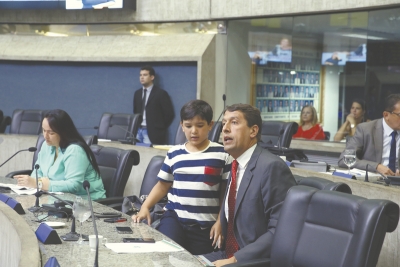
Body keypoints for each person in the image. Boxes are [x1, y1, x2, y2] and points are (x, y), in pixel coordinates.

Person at [131, 100, 232, 255]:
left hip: (206, 225)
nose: (194, 131)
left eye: (200, 125)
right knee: (166, 254)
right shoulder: (175, 152)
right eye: (188, 125)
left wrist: (220, 222)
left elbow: (225, 194)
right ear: (182, 125)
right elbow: (163, 185)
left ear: (210, 125)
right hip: (175, 218)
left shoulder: (222, 154)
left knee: (198, 261)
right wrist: (145, 207)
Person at [203, 103, 296, 266]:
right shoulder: (235, 164)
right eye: (224, 123)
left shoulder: (271, 167)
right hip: (227, 253)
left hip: (251, 260)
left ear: (253, 131)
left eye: (234, 122)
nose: (225, 128)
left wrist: (234, 260)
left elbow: (280, 231)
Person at [14, 109, 106, 200]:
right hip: (57, 199)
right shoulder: (46, 145)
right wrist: (33, 182)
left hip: (87, 203)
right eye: (44, 130)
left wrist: (39, 183)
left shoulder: (75, 150)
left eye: (51, 133)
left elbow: (74, 185)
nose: (45, 136)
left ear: (63, 132)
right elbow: (37, 172)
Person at [338, 94, 400, 175]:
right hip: (374, 180)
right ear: (386, 115)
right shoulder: (366, 130)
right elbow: (343, 160)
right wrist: (376, 167)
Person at [133, 66, 174, 145]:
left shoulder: (161, 93)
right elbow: (135, 111)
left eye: (145, 75)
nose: (142, 77)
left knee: (148, 155)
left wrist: (159, 127)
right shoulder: (137, 93)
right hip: (138, 130)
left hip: (152, 131)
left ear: (152, 77)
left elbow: (169, 114)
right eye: (140, 75)